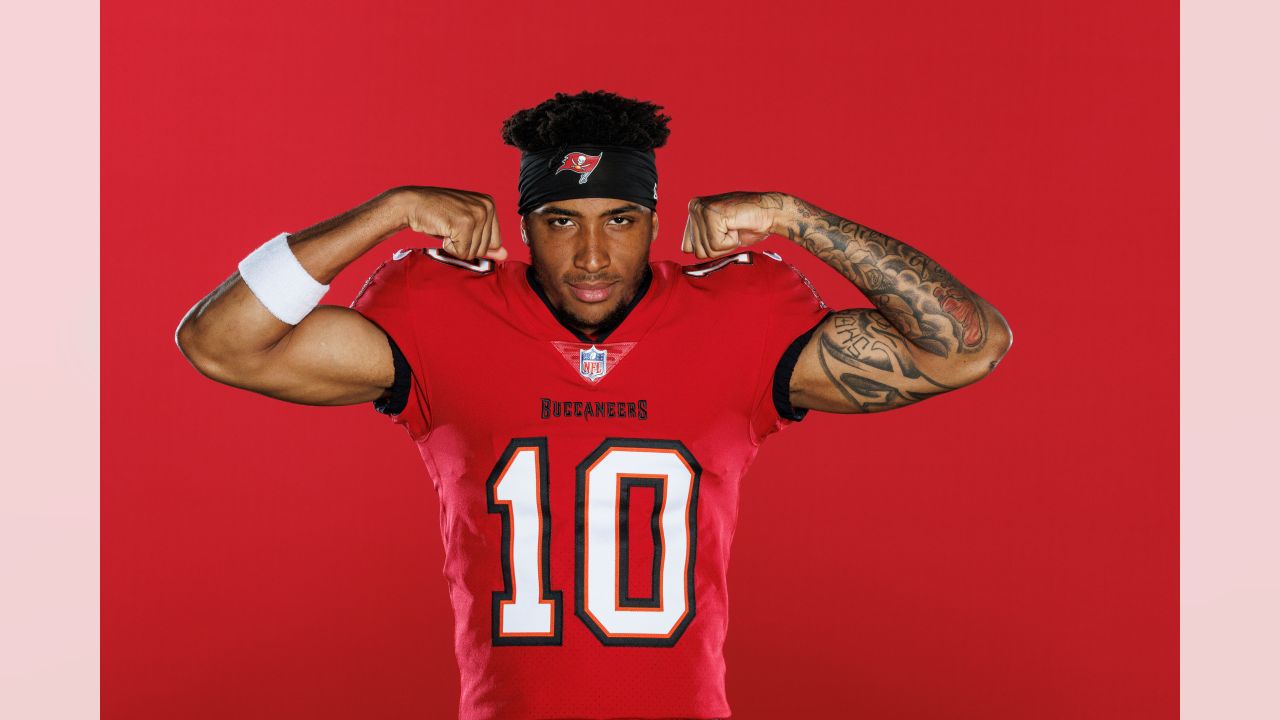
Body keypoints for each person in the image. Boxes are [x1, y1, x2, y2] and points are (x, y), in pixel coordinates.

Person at [175, 90, 1012, 720]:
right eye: (559, 221)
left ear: (653, 219)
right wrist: (383, 213)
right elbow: (219, 343)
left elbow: (969, 346)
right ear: (523, 223)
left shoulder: (739, 318)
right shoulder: (441, 315)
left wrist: (795, 218)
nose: (591, 254)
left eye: (620, 218)